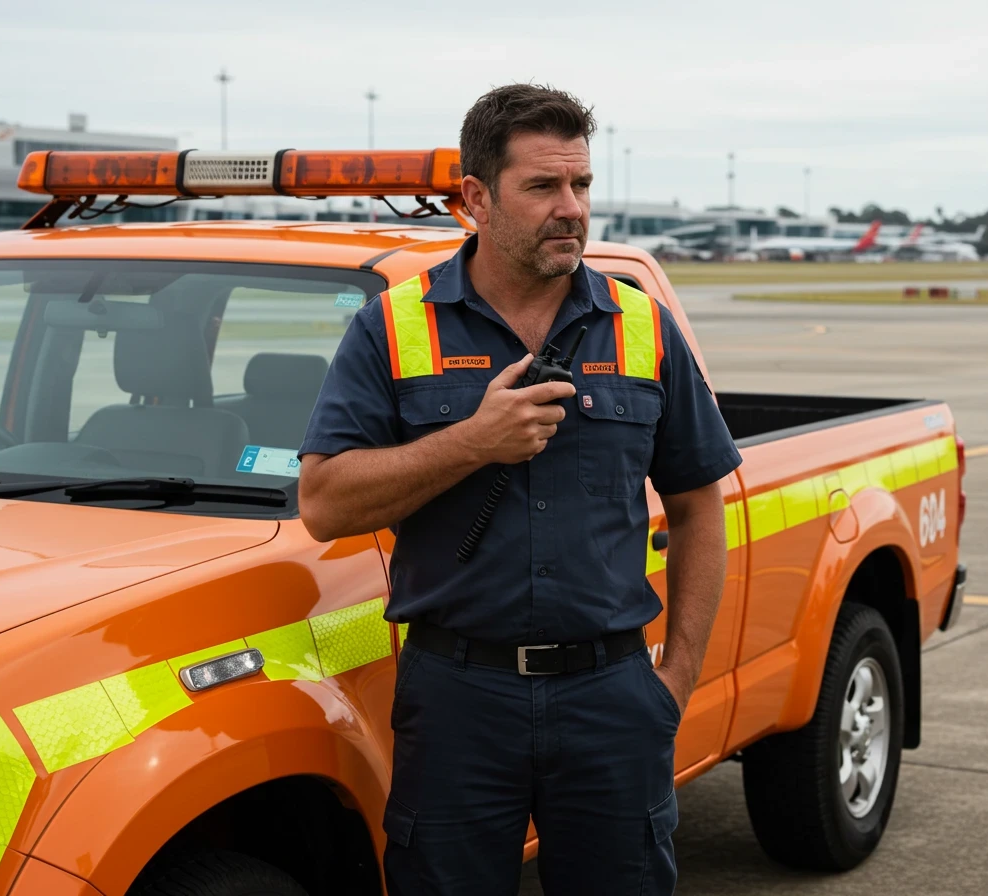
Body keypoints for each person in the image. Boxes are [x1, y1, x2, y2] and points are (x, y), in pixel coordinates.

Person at [297, 83, 741, 896]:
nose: (571, 208)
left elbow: (697, 502)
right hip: (459, 698)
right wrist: (473, 441)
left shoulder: (640, 326)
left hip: (613, 698)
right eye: (542, 187)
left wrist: (674, 679)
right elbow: (325, 503)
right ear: (476, 198)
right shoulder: (395, 328)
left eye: (581, 185)